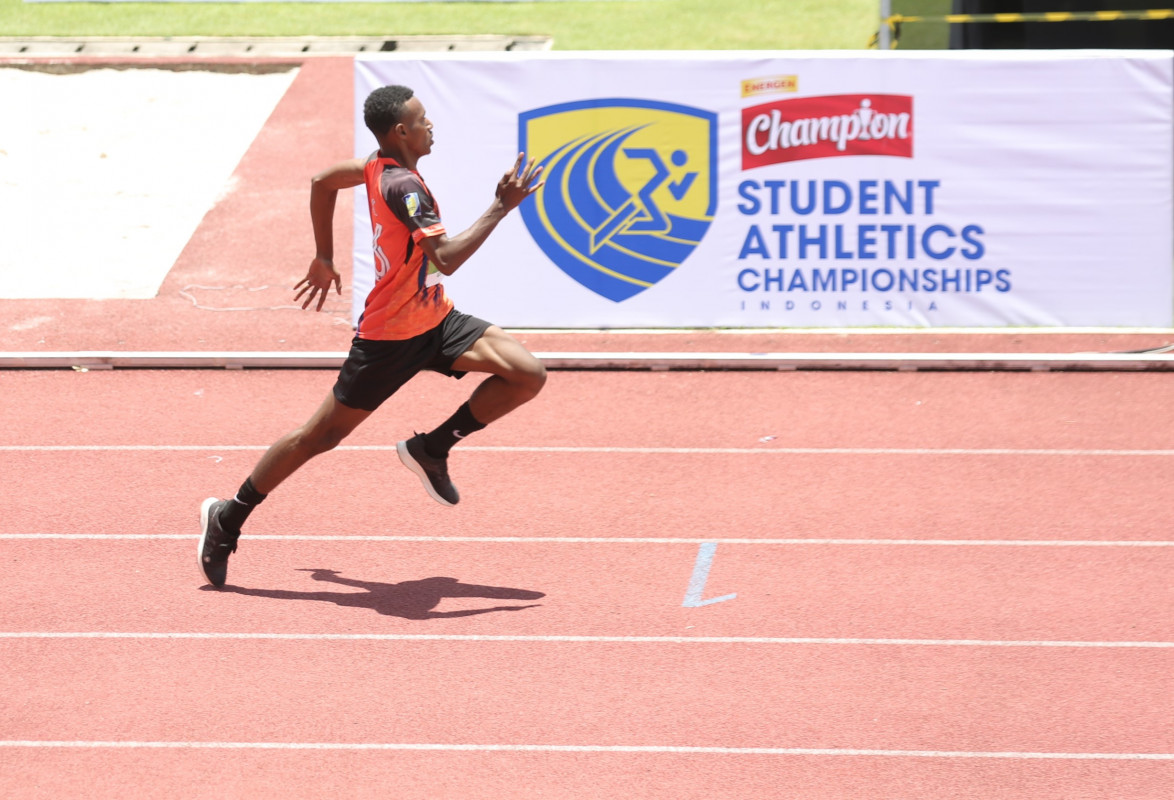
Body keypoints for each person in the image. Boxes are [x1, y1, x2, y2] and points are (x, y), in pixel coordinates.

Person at [198, 84, 547, 588]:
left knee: (527, 374)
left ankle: (432, 448)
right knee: (319, 437)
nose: (431, 126)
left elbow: (322, 181)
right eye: (423, 120)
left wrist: (324, 256)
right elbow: (445, 258)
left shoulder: (374, 166)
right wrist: (500, 206)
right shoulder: (404, 187)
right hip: (389, 337)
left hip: (436, 319)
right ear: (401, 131)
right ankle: (228, 517)